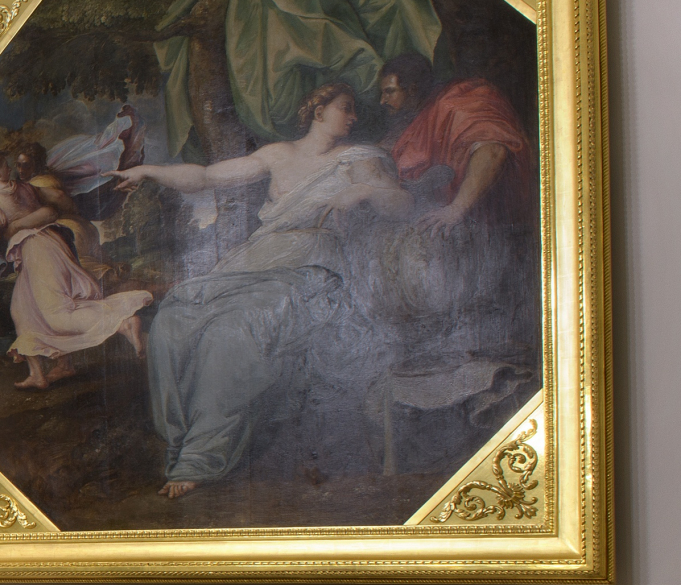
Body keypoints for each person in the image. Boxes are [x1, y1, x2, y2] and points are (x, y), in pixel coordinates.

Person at [117, 79, 411, 497]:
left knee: (232, 331)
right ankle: (181, 440)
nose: (354, 117)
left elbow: (401, 203)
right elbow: (205, 176)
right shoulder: (278, 154)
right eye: (345, 107)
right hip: (254, 260)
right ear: (319, 110)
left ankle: (200, 457)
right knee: (173, 321)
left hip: (309, 267)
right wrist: (147, 171)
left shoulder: (359, 159)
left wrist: (366, 189)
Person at [0, 137, 149, 389]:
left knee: (58, 315)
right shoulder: (24, 188)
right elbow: (58, 198)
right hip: (51, 244)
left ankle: (123, 324)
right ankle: (40, 373)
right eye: (5, 165)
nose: (10, 168)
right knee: (22, 312)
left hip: (36, 251)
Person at [376, 52, 530, 234]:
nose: (382, 101)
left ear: (412, 89)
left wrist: (457, 208)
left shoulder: (456, 103)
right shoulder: (416, 117)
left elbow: (493, 150)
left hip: (492, 223)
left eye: (389, 92)